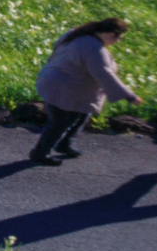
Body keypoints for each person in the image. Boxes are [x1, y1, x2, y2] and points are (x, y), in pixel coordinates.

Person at [31, 17, 138, 164]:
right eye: (118, 39)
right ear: (112, 35)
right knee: (60, 123)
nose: (116, 42)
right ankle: (40, 153)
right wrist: (129, 95)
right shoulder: (93, 48)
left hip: (59, 83)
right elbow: (104, 74)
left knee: (81, 115)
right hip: (64, 89)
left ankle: (64, 144)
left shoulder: (76, 33)